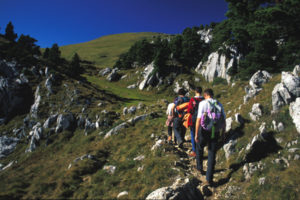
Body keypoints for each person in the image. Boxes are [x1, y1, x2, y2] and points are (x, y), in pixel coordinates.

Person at [195, 88, 226, 186]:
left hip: (204, 130)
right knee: (212, 153)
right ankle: (209, 179)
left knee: (199, 147)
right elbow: (223, 120)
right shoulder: (219, 104)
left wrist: (196, 133)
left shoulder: (203, 103)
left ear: (205, 95)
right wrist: (223, 133)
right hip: (215, 131)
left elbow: (199, 119)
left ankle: (200, 168)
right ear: (212, 95)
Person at [187, 87, 204, 157]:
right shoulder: (204, 99)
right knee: (201, 135)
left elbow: (189, 110)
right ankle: (200, 151)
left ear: (195, 91)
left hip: (194, 119)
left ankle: (194, 151)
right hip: (202, 119)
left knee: (193, 135)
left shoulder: (192, 100)